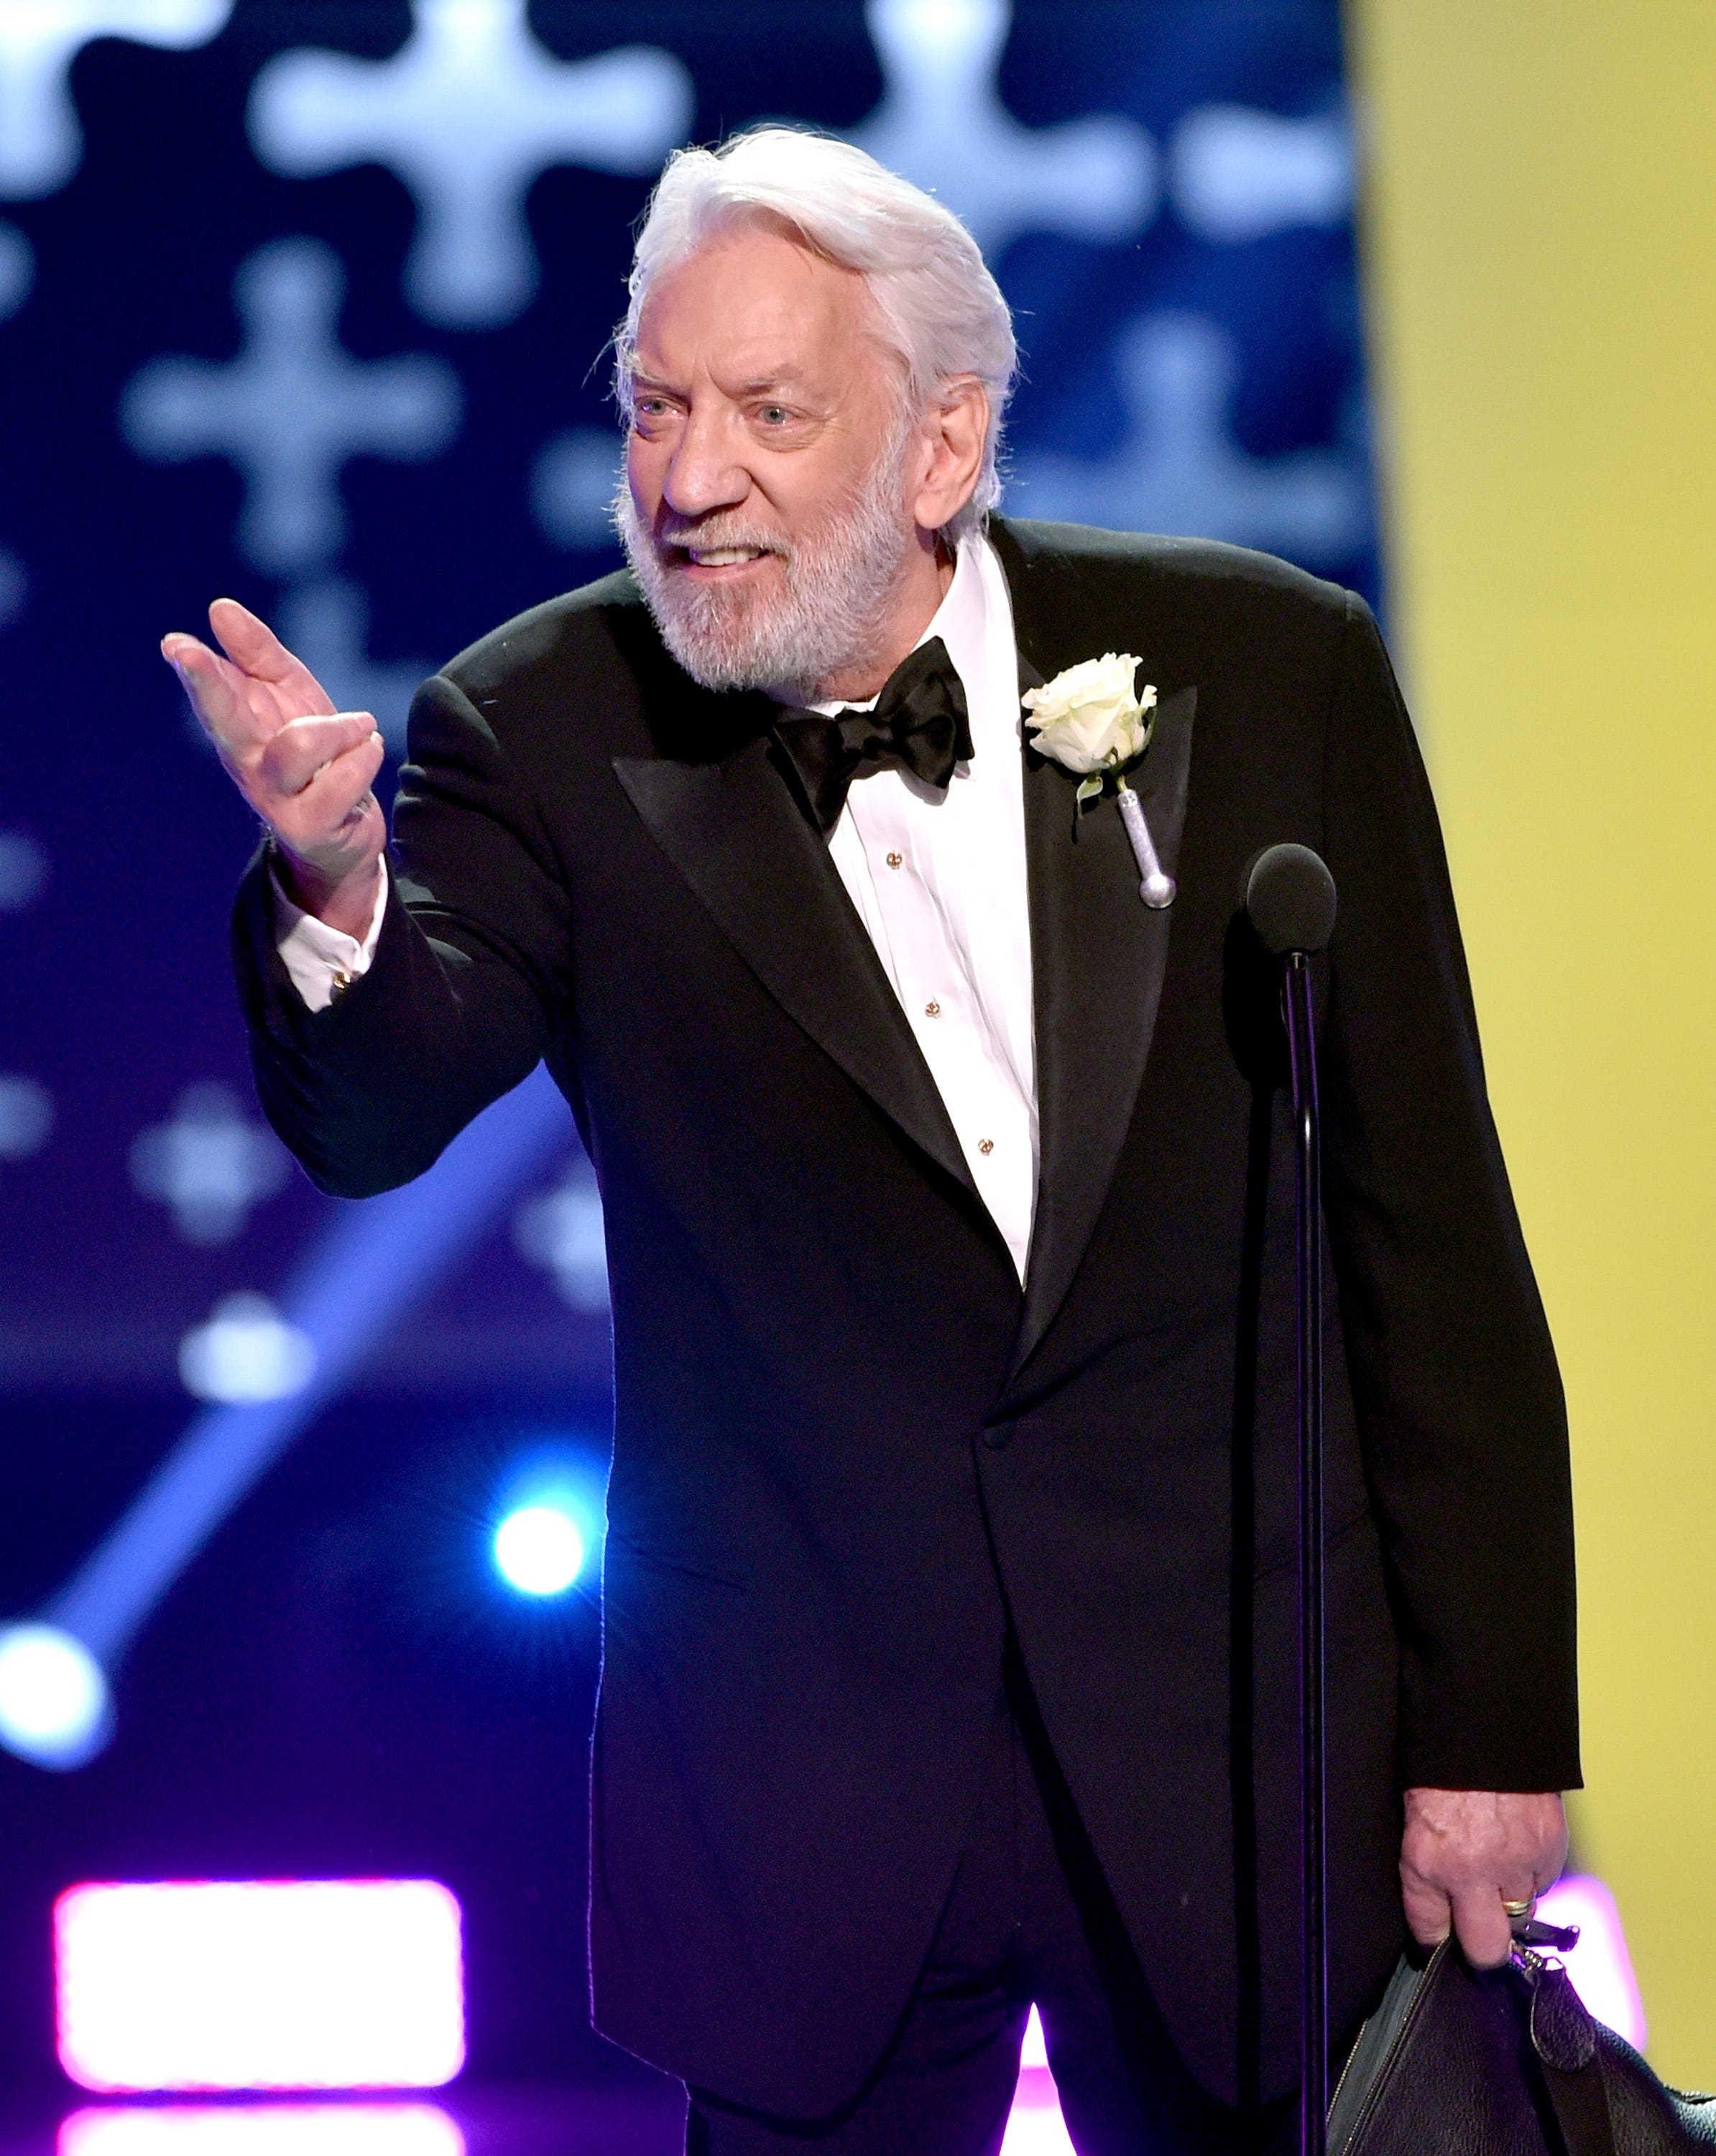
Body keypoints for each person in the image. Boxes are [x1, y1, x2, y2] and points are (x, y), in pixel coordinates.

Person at [164, 129, 1578, 2156]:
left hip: (1236, 1761)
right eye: (655, 407)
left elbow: (1425, 1237)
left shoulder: (1270, 676)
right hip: (800, 1780)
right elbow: (383, 1109)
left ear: (941, 444)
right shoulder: (545, 723)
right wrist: (334, 882)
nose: (686, 475)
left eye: (764, 412)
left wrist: (1491, 1734)